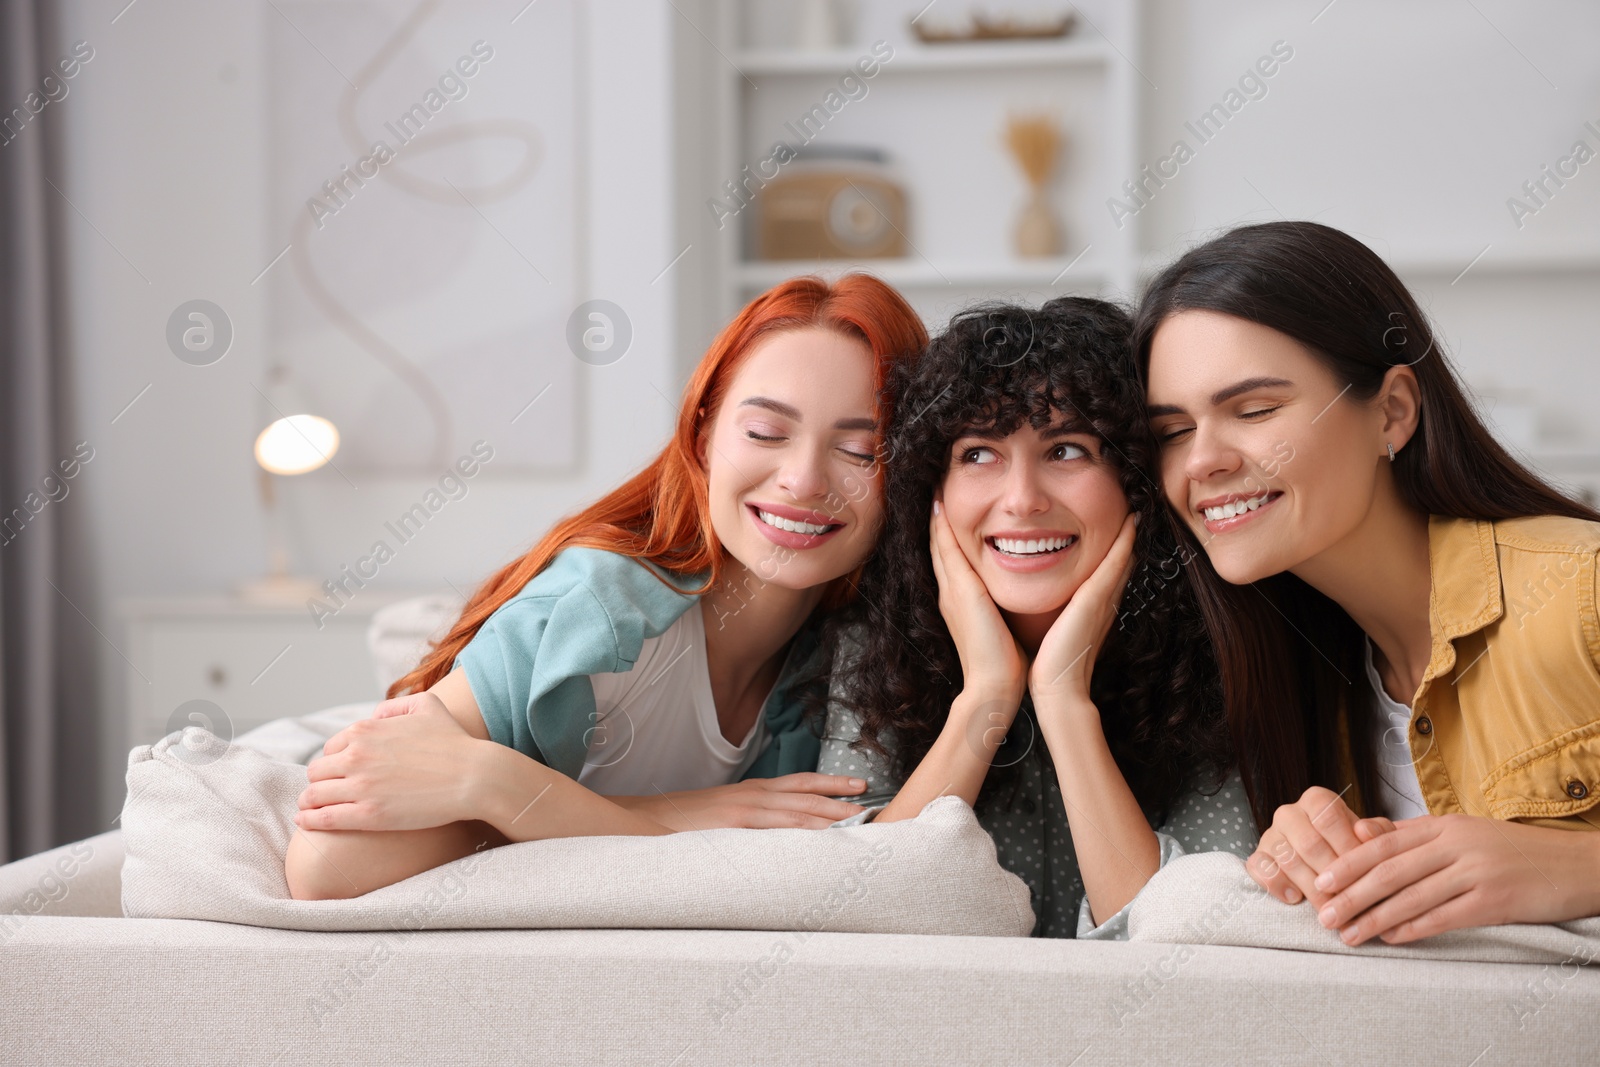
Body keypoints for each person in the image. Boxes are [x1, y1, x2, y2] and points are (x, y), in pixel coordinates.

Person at [285, 274, 928, 900]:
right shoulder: (597, 609)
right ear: (702, 436)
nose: (803, 479)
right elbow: (327, 869)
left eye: (861, 453)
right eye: (765, 433)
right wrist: (506, 783)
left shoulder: (849, 655)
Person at [1136, 220, 1600, 946]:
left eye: (1254, 411)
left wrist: (1573, 866)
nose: (1202, 462)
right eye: (1172, 431)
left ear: (1392, 411)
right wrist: (1303, 852)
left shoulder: (1580, 586)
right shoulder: (1299, 677)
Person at [819, 297, 1256, 938]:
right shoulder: (873, 645)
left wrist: (1062, 700)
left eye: (1068, 451)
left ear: (1136, 478)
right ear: (931, 489)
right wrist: (987, 699)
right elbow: (850, 913)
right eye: (977, 454)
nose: (1022, 500)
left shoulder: (1221, 646)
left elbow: (1185, 940)